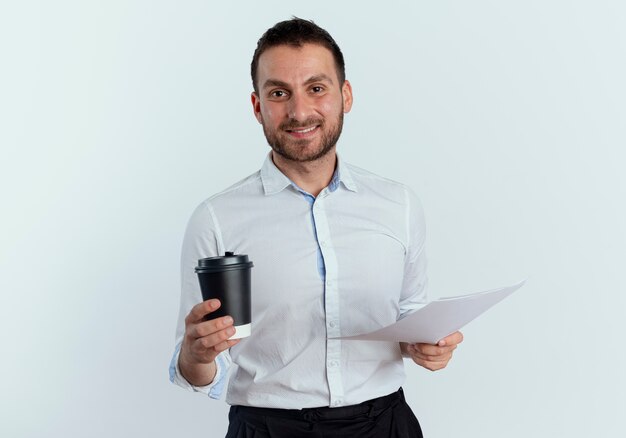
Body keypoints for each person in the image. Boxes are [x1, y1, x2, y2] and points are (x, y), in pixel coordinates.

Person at [169, 17, 463, 438]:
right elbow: (198, 368)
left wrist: (425, 345)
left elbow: (409, 314)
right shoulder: (216, 218)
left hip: (385, 424)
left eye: (317, 88)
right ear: (258, 107)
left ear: (345, 95)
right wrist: (195, 356)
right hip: (267, 428)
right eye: (278, 93)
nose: (299, 111)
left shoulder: (398, 204)